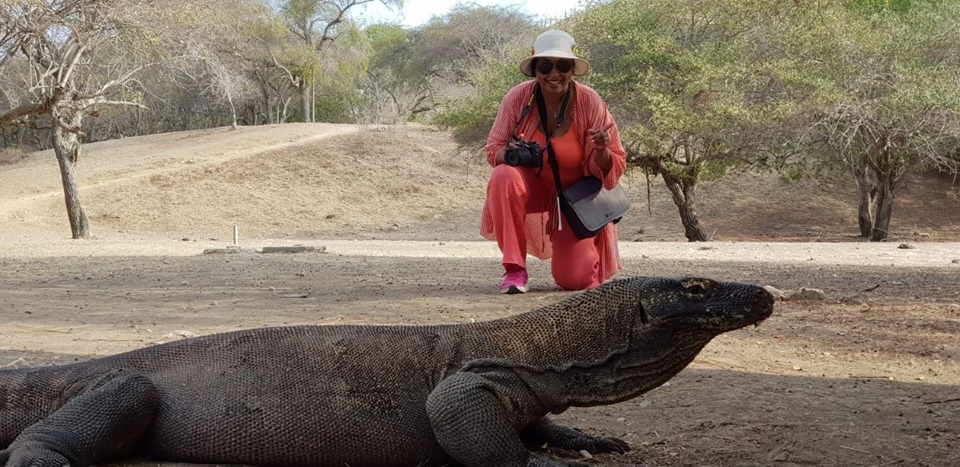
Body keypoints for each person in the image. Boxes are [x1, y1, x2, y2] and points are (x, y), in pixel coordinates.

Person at [481, 29, 627, 294]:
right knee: (503, 175)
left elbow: (610, 171)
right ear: (535, 68)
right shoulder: (518, 98)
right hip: (532, 187)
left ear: (572, 68)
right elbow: (493, 151)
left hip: (574, 201)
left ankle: (586, 249)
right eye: (545, 65)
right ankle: (515, 270)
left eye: (562, 65)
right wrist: (514, 155)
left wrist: (602, 150)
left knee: (575, 280)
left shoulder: (590, 102)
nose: (553, 73)